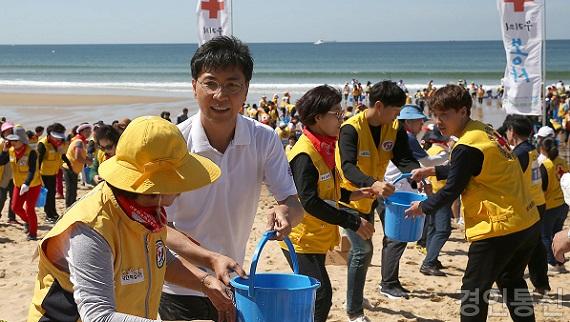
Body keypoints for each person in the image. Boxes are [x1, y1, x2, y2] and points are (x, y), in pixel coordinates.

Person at [27, 116, 238, 322]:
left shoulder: (145, 212)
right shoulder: (91, 228)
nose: (183, 190)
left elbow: (156, 259)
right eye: (179, 181)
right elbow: (99, 316)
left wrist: (204, 282)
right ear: (158, 188)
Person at [160, 36, 303, 321]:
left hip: (233, 279)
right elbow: (156, 225)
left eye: (232, 85)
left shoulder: (264, 139)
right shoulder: (174, 143)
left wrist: (285, 213)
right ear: (194, 86)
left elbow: (293, 203)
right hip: (179, 283)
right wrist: (208, 261)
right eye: (210, 83)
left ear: (246, 89)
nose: (220, 94)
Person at [406, 85, 540, 321]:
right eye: (436, 115)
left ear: (463, 111)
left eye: (444, 115)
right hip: (526, 220)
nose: (438, 121)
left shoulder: (466, 146)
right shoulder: (484, 131)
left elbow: (451, 191)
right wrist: (432, 171)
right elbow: (472, 167)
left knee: (473, 292)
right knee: (512, 281)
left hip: (498, 227)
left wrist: (422, 207)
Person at [281, 85, 376, 322]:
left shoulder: (323, 146)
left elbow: (327, 190)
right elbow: (310, 201)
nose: (341, 119)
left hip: (316, 237)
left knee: (315, 297)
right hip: (301, 239)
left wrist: (354, 195)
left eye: (341, 112)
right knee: (320, 295)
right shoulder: (304, 154)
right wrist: (352, 221)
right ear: (318, 118)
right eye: (336, 114)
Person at [336, 80, 419, 321]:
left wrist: (417, 174)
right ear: (380, 106)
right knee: (363, 250)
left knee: (359, 252)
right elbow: (347, 166)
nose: (397, 117)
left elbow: (404, 157)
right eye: (395, 111)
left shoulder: (393, 128)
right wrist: (371, 183)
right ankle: (354, 312)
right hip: (348, 197)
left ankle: (354, 296)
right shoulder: (351, 129)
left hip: (371, 198)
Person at [505, 115, 551, 293]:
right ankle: (541, 283)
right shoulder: (531, 149)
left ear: (512, 132)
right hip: (538, 201)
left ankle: (515, 279)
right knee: (535, 244)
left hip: (527, 205)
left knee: (522, 244)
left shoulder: (519, 153)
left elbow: (508, 179)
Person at [0, 126, 43, 240]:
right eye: (11, 140)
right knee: (16, 207)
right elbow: (1, 162)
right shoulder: (10, 151)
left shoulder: (31, 152)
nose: (12, 143)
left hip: (33, 184)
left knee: (29, 208)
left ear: (22, 140)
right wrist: (4, 150)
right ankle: (28, 222)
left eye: (15, 140)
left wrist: (27, 184)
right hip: (18, 184)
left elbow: (32, 170)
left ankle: (33, 234)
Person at [538, 137, 569, 273]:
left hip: (550, 205)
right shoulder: (563, 162)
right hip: (563, 203)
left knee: (545, 235)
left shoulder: (546, 165)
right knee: (557, 233)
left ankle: (552, 262)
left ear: (543, 149)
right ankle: (560, 261)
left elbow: (542, 188)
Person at [37, 123, 72, 224]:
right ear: (49, 134)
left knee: (52, 194)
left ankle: (53, 213)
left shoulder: (58, 143)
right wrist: (37, 177)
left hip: (53, 173)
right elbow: (38, 161)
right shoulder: (42, 144)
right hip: (44, 175)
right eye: (56, 137)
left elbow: (63, 156)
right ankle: (48, 215)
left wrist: (70, 165)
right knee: (48, 195)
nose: (58, 140)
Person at [0, 122, 17, 223]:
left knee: (13, 197)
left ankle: (12, 218)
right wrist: (6, 150)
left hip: (14, 175)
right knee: (2, 198)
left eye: (11, 130)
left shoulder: (16, 142)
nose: (9, 132)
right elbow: (1, 161)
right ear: (3, 132)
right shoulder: (2, 143)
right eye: (7, 131)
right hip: (3, 176)